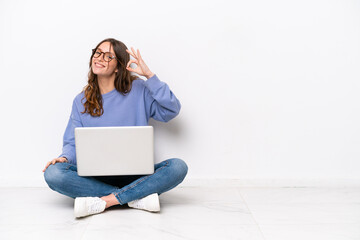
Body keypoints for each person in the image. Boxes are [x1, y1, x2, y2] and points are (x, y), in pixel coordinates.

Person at [42, 38, 188, 218]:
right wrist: (63, 158)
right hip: (96, 176)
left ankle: (106, 200)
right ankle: (136, 197)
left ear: (118, 66)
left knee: (178, 167)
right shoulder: (81, 101)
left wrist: (149, 76)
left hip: (136, 174)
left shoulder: (139, 89)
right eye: (98, 53)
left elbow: (171, 110)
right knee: (53, 174)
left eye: (108, 56)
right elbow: (72, 144)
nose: (100, 58)